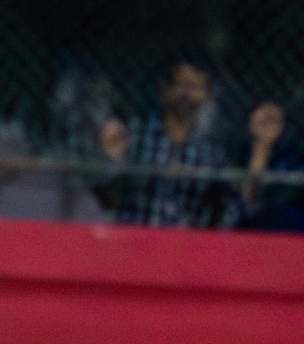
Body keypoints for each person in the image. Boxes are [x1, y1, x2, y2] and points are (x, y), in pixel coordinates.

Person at [98, 53, 283, 228]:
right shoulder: (134, 136)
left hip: (186, 247)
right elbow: (107, 200)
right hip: (136, 243)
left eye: (195, 87)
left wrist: (261, 150)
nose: (186, 93)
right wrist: (112, 162)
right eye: (180, 84)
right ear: (163, 90)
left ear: (207, 95)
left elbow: (239, 209)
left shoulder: (212, 153)